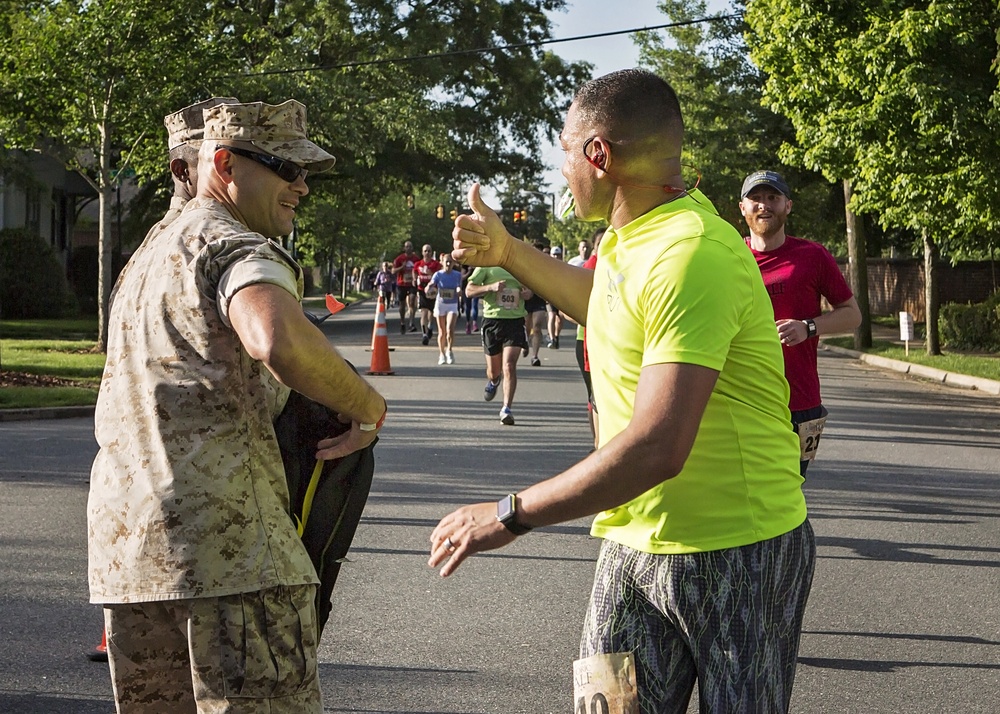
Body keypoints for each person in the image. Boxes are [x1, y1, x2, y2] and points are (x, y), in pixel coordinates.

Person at [430, 69, 813, 713]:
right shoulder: (628, 241)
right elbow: (608, 308)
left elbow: (659, 446)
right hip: (631, 547)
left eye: (566, 157)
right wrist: (507, 250)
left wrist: (509, 513)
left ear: (598, 156)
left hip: (741, 551)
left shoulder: (692, 253)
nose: (563, 177)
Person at [88, 99, 387, 713]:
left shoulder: (146, 258)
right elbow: (273, 336)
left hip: (132, 558)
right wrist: (368, 405)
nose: (301, 185)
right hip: (236, 561)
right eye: (285, 167)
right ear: (223, 163)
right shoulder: (232, 245)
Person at [739, 170, 861, 475]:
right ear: (742, 208)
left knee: (793, 486)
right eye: (756, 198)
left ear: (788, 206)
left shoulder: (813, 256)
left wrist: (808, 327)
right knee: (749, 492)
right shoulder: (729, 256)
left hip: (801, 402)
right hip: (744, 399)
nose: (764, 205)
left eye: (773, 198)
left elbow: (852, 314)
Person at [465, 264, 531, 425]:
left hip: (515, 321)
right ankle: (494, 380)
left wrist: (528, 293)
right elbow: (469, 290)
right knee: (494, 371)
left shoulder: (520, 264)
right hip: (492, 322)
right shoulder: (486, 265)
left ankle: (506, 409)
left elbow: (531, 289)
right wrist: (491, 287)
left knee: (509, 365)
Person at [428, 253, 464, 364]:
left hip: (452, 304)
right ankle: (441, 354)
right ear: (442, 263)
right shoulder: (438, 274)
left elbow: (459, 286)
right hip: (441, 304)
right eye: (446, 261)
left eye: (450, 262)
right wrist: (428, 287)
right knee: (442, 332)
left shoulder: (457, 275)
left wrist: (459, 291)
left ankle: (449, 350)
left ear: (453, 263)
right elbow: (432, 283)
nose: (448, 264)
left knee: (450, 330)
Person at [414, 244, 442, 345]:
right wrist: (414, 279)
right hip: (422, 290)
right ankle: (424, 334)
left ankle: (430, 326)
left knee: (431, 313)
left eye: (429, 251)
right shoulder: (418, 264)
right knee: (424, 312)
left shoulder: (436, 264)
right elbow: (415, 272)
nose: (427, 253)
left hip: (433, 291)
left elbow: (440, 274)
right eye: (425, 251)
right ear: (422, 252)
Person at [392, 240, 418, 334]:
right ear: (404, 248)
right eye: (407, 247)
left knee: (412, 301)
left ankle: (411, 323)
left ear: (412, 248)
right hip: (401, 284)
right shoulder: (399, 259)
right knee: (402, 305)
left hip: (412, 284)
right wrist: (401, 268)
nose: (408, 248)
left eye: (410, 246)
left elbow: (419, 269)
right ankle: (402, 322)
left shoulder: (416, 259)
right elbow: (393, 271)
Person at [546, 245, 564, 348]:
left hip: (561, 296)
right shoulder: (547, 267)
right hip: (550, 296)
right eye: (554, 255)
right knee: (552, 316)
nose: (556, 257)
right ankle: (552, 339)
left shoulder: (564, 267)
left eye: (558, 255)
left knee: (560, 318)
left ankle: (556, 336)